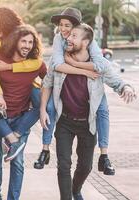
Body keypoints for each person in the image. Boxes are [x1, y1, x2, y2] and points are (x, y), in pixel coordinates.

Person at [40, 23, 137, 200]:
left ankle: (75, 190)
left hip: (88, 124)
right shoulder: (60, 61)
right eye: (69, 35)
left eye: (74, 36)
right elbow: (47, 82)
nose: (68, 38)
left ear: (85, 42)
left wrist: (127, 87)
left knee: (85, 167)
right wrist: (42, 110)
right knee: (64, 165)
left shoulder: (98, 66)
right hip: (65, 122)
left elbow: (117, 81)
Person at [34, 7, 115, 174]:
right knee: (49, 108)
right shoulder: (59, 38)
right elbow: (57, 65)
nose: (63, 29)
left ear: (77, 27)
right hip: (65, 82)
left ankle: (104, 156)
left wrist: (76, 64)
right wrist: (84, 70)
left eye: (67, 26)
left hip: (90, 86)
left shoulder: (88, 40)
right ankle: (45, 149)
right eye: (61, 25)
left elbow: (101, 65)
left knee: (102, 110)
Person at [0, 6, 55, 162]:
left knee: (43, 103)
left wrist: (8, 67)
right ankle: (12, 139)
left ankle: (42, 147)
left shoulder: (20, 37)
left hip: (26, 83)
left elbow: (35, 64)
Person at [0, 25, 46, 200]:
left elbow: (50, 81)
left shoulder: (35, 64)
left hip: (21, 121)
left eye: (30, 42)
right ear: (15, 41)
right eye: (24, 41)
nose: (27, 45)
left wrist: (42, 94)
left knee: (18, 163)